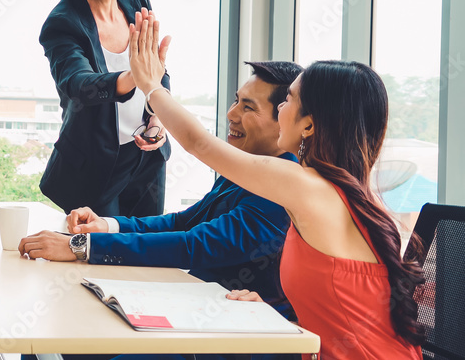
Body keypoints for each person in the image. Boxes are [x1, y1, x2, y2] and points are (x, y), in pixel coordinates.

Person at [121, 10, 425, 360]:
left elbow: (199, 144)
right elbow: (343, 305)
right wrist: (276, 310)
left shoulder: (308, 187)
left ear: (308, 126)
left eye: (287, 100)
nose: (280, 108)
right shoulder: (345, 195)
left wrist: (151, 86)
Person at [19, 61, 302, 316]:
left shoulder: (281, 185)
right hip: (195, 306)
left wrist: (79, 246)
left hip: (224, 327)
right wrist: (106, 226)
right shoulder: (247, 167)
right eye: (236, 101)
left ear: (285, 118)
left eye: (248, 107)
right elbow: (184, 222)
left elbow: (194, 244)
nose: (231, 113)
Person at [39, 0, 171, 218]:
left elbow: (157, 70)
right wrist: (131, 77)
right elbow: (78, 85)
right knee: (97, 259)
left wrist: (159, 118)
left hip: (147, 158)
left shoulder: (136, 0)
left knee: (146, 254)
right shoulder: (63, 23)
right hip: (95, 169)